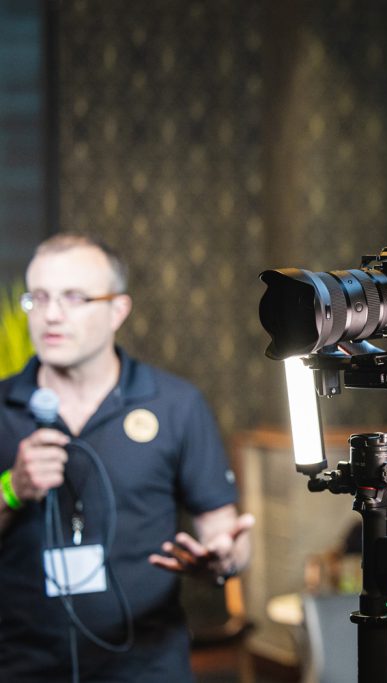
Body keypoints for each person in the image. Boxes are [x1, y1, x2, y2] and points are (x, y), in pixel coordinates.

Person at [0, 234, 255, 682]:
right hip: (23, 665)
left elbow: (224, 533)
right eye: (38, 297)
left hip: (148, 666)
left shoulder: (175, 404)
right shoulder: (4, 405)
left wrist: (223, 559)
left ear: (118, 309)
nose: (51, 314)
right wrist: (11, 490)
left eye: (74, 297)